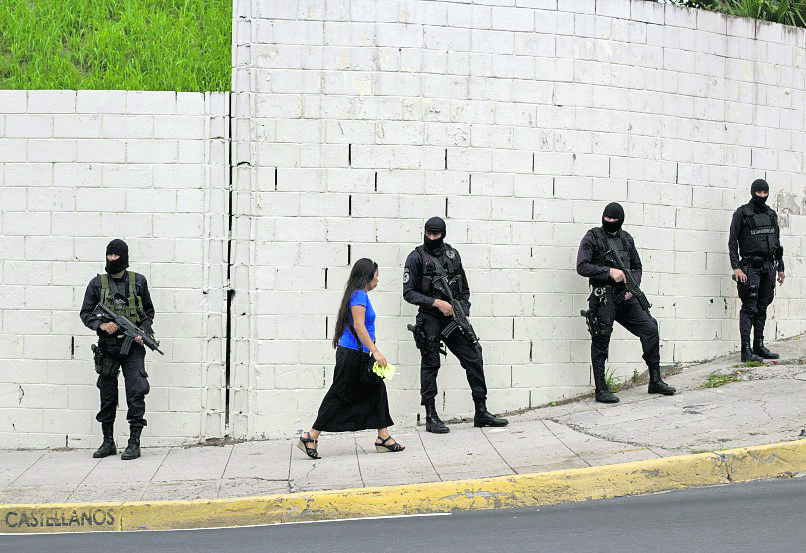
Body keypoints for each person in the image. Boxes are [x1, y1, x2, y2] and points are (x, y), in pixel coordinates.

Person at [403, 216, 508, 433]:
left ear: (443, 234)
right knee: (431, 365)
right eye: (428, 234)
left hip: (453, 318)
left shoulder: (453, 256)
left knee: (474, 355)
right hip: (430, 318)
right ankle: (431, 416)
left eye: (436, 235)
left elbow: (465, 290)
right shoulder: (415, 258)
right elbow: (408, 293)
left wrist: (464, 312)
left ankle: (481, 410)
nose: (431, 238)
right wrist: (435, 302)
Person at [297, 258, 404, 459]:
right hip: (353, 355)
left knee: (377, 390)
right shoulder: (359, 295)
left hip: (358, 354)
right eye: (377, 274)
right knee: (339, 394)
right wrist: (375, 351)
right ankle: (310, 435)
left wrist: (371, 350)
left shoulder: (358, 294)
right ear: (368, 275)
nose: (378, 279)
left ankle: (383, 436)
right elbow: (359, 326)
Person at [577, 203, 675, 403]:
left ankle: (655, 379)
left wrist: (632, 285)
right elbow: (582, 266)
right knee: (601, 339)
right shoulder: (592, 237)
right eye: (607, 219)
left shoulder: (627, 239)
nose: (610, 222)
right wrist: (608, 272)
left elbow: (637, 266)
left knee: (650, 327)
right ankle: (601, 389)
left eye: (614, 220)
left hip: (626, 297)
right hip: (604, 296)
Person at [79, 239, 155, 460]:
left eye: (116, 256)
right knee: (107, 393)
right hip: (108, 346)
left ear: (124, 258)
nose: (112, 259)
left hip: (133, 347)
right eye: (109, 255)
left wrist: (142, 332)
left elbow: (148, 312)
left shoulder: (138, 282)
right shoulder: (97, 284)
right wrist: (101, 325)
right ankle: (108, 441)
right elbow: (86, 313)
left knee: (136, 391)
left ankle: (134, 442)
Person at [728, 178, 785, 362]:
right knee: (749, 307)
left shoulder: (771, 214)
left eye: (765, 193)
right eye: (759, 192)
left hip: (769, 266)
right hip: (750, 267)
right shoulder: (742, 213)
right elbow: (732, 242)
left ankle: (758, 345)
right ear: (753, 192)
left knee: (763, 306)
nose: (762, 196)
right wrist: (736, 267)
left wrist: (780, 267)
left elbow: (776, 243)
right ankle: (746, 351)